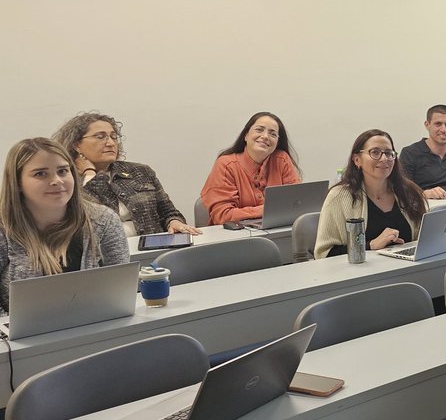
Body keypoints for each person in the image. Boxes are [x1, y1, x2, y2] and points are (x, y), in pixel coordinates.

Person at [0, 138, 129, 315]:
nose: (57, 181)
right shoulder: (4, 229)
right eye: (40, 174)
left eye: (62, 171)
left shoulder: (103, 220)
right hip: (19, 339)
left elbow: (121, 292)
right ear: (18, 183)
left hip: (95, 327)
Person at [53, 111, 200, 237]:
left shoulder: (140, 172)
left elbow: (169, 212)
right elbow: (99, 216)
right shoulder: (66, 179)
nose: (110, 143)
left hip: (151, 251)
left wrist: (174, 222)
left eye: (113, 136)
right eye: (100, 136)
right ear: (76, 145)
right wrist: (90, 174)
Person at [314, 129, 427, 258]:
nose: (384, 158)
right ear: (357, 160)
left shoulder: (408, 192)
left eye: (389, 153)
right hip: (361, 275)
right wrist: (370, 245)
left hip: (407, 270)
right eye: (375, 152)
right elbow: (324, 254)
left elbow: (424, 239)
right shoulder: (339, 196)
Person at [200, 111, 301, 226]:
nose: (265, 136)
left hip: (276, 232)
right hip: (234, 237)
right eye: (259, 130)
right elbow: (223, 215)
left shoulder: (281, 159)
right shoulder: (226, 164)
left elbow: (295, 204)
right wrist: (267, 210)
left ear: (277, 142)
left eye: (273, 134)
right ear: (246, 135)